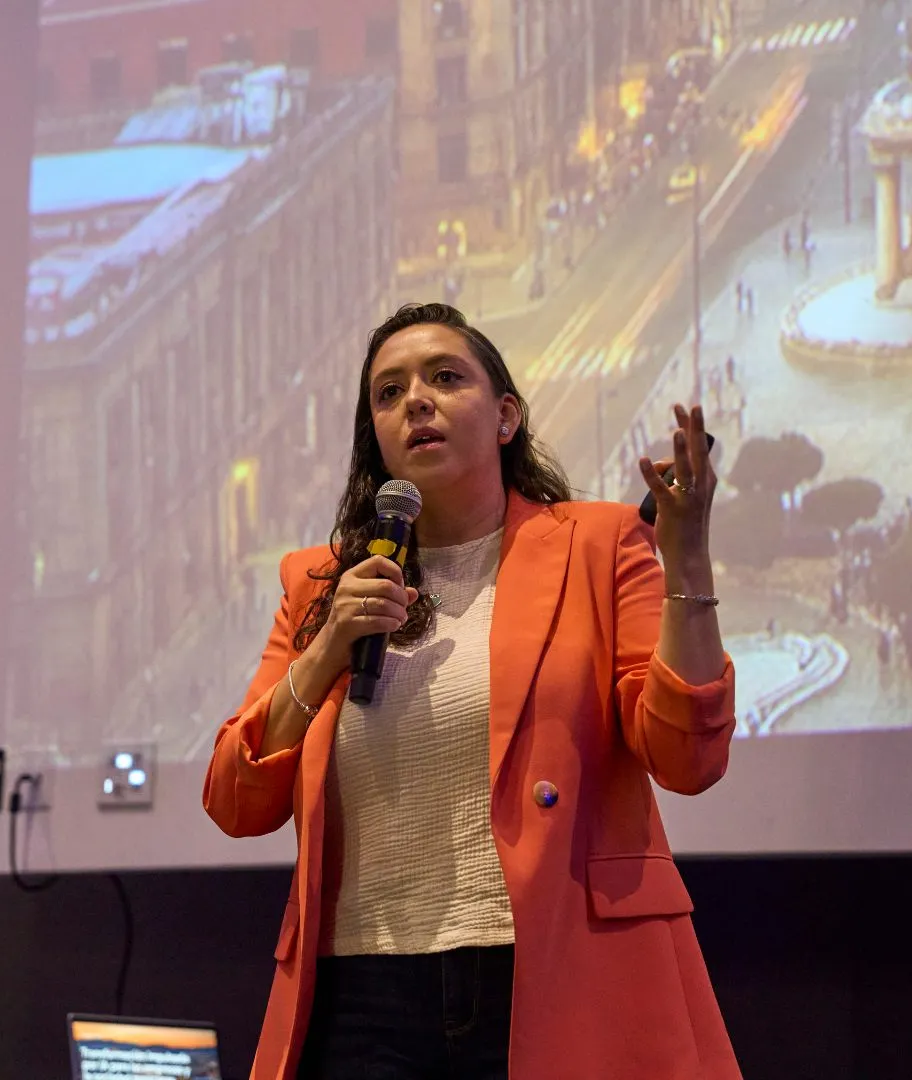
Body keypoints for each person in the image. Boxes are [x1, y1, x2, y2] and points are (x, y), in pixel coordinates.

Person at [203, 303, 741, 1080]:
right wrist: (321, 654)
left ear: (505, 417)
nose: (415, 400)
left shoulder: (598, 543)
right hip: (361, 992)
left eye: (445, 378)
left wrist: (687, 563)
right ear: (377, 440)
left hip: (552, 970)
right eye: (387, 394)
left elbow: (687, 757)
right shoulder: (317, 586)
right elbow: (234, 800)